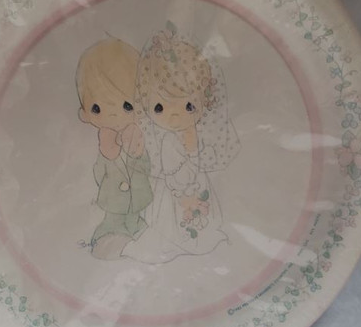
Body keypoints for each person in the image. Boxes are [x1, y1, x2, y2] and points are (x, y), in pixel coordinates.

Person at [122, 23, 240, 263]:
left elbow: (200, 160)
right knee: (177, 227)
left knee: (202, 225)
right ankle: (183, 241)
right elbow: (172, 174)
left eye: (189, 106)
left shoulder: (194, 132)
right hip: (177, 191)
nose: (175, 116)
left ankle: (198, 240)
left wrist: (194, 148)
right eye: (159, 107)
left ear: (204, 101)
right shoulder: (168, 140)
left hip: (195, 184)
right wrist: (183, 196)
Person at [76, 38, 153, 260]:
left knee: (137, 223)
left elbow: (147, 168)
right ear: (85, 113)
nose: (113, 115)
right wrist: (108, 154)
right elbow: (99, 174)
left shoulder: (138, 136)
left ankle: (135, 233)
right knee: (113, 227)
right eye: (97, 108)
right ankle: (108, 238)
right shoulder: (103, 142)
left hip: (137, 200)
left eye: (127, 106)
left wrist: (136, 152)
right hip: (113, 204)